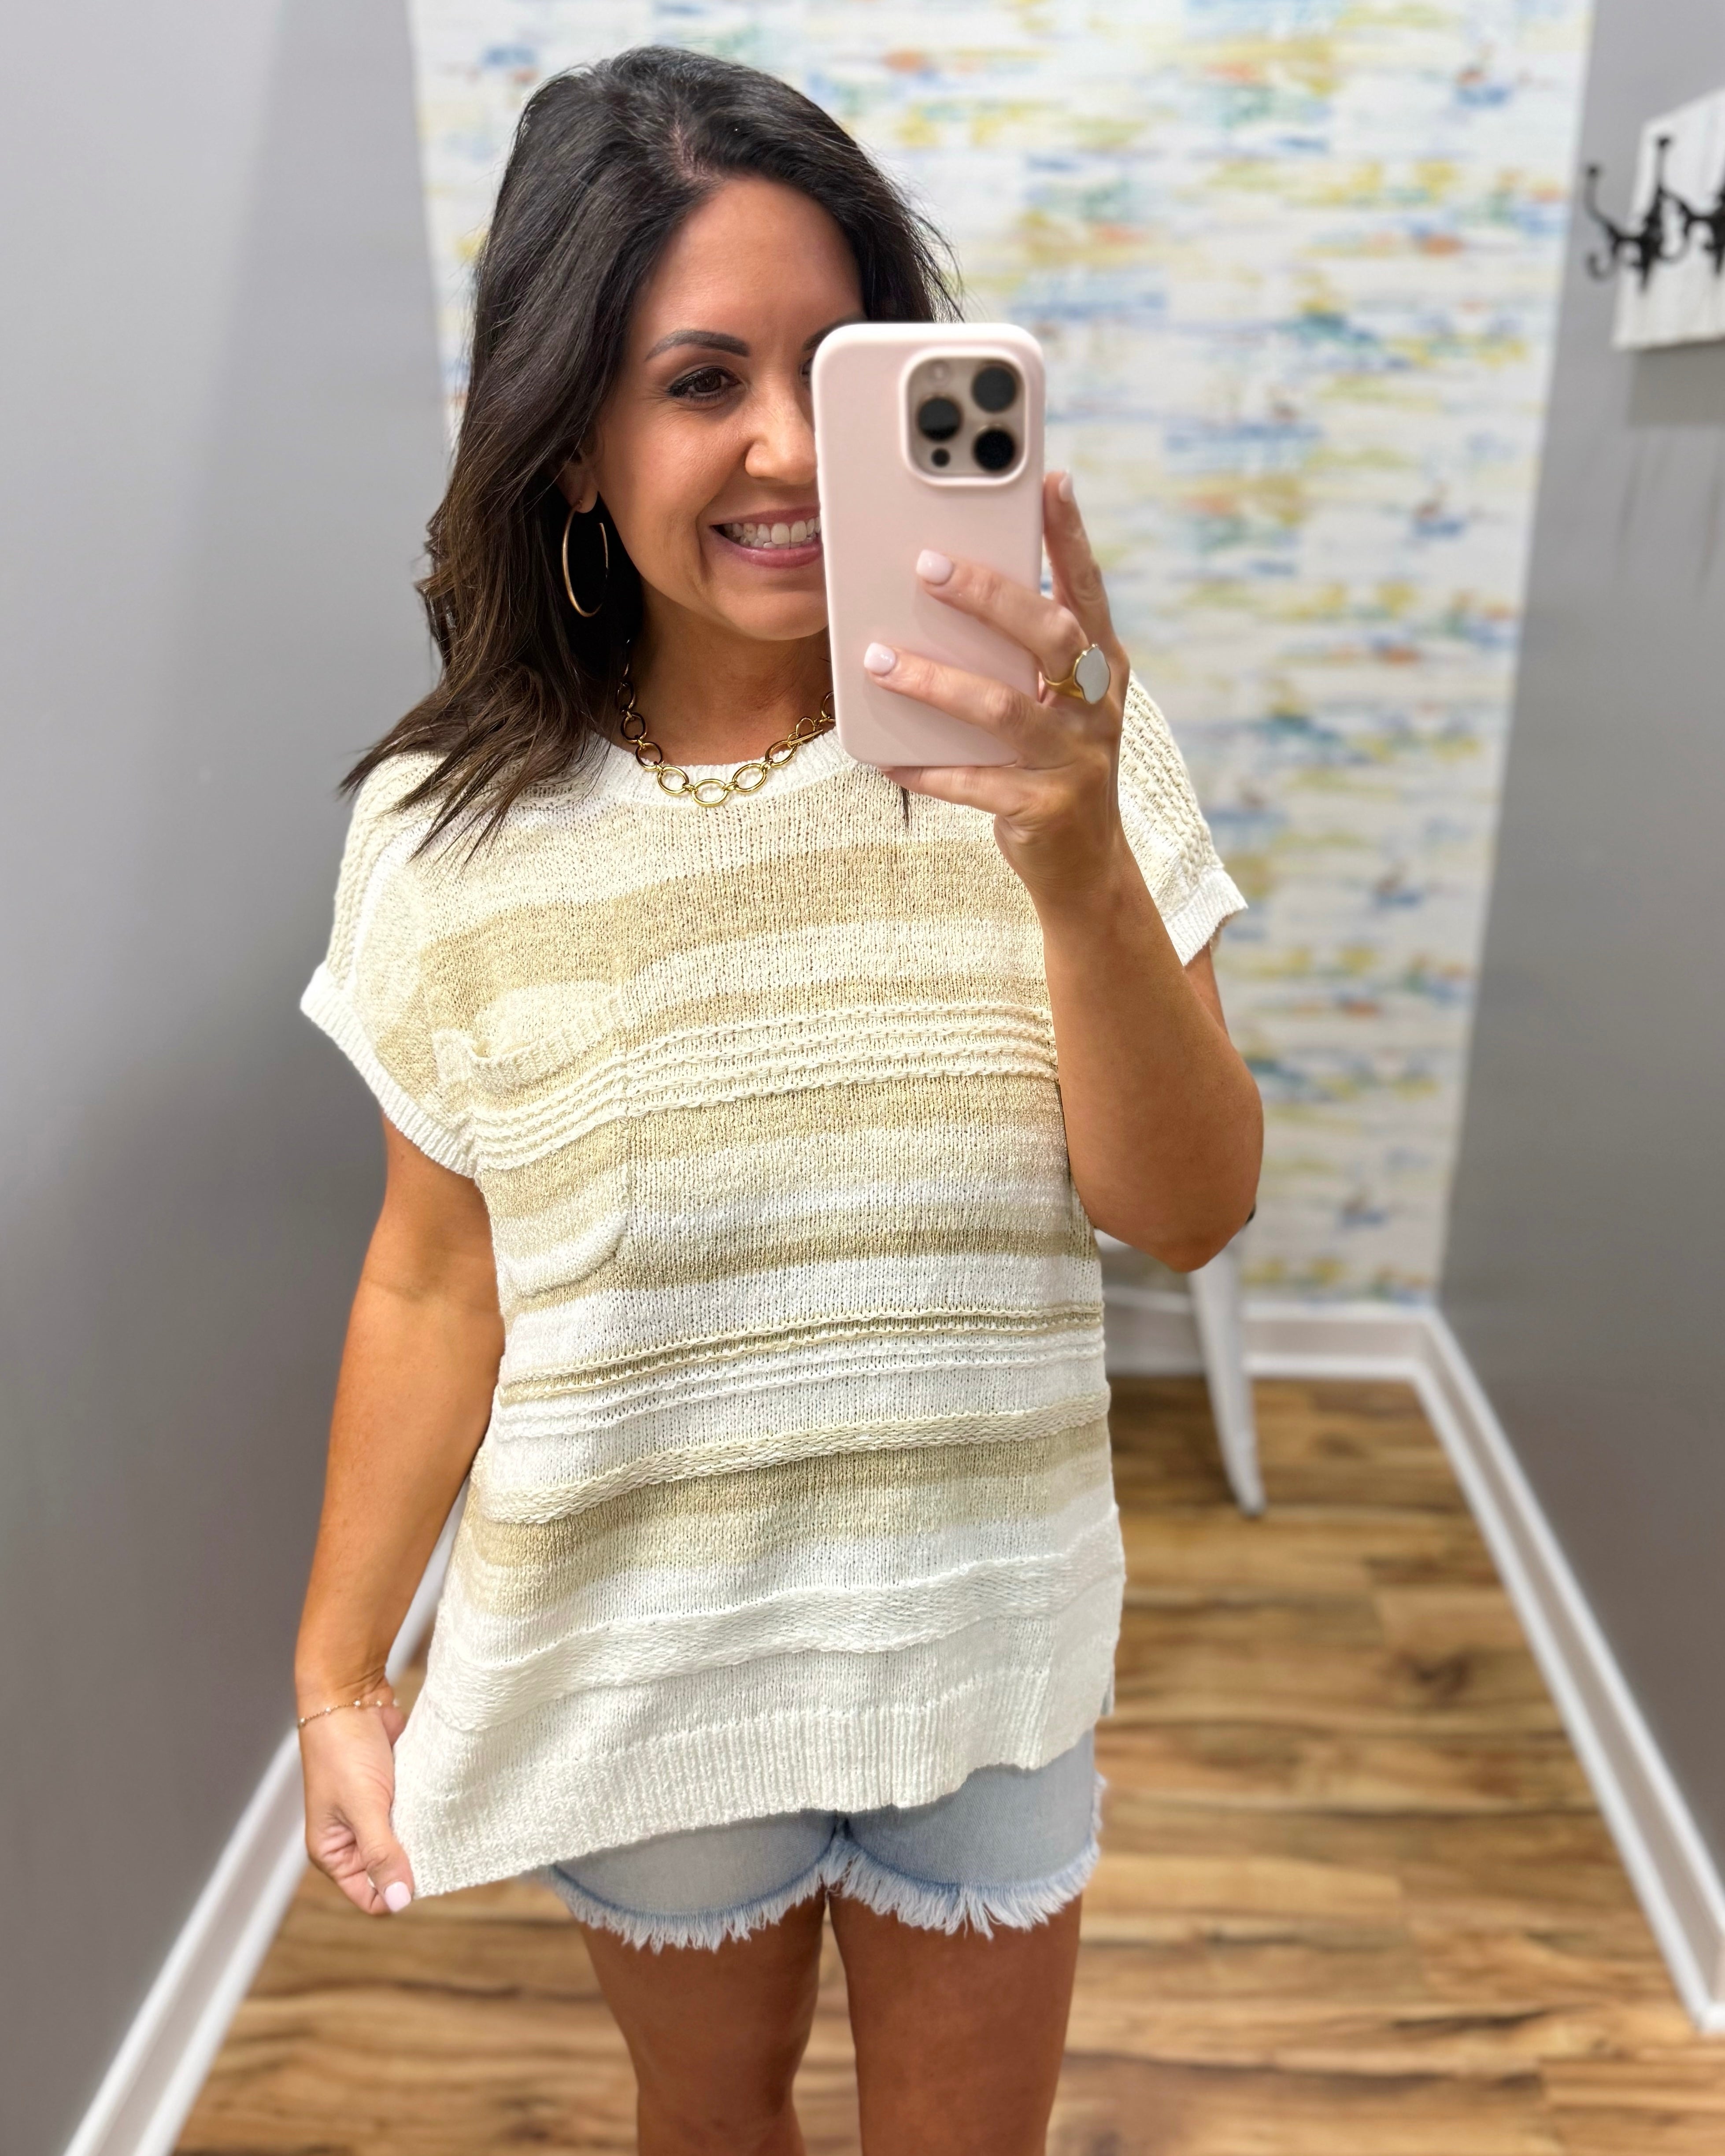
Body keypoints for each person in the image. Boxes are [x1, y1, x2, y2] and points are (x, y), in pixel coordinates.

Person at [293, 45, 1261, 2156]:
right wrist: (338, 1677)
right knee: (708, 2121)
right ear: (564, 443)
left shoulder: (1065, 749)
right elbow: (433, 1283)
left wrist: (1076, 850)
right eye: (695, 378)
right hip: (631, 1636)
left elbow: (1185, 1213)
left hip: (977, 1619)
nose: (780, 448)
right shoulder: (442, 836)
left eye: (834, 374)